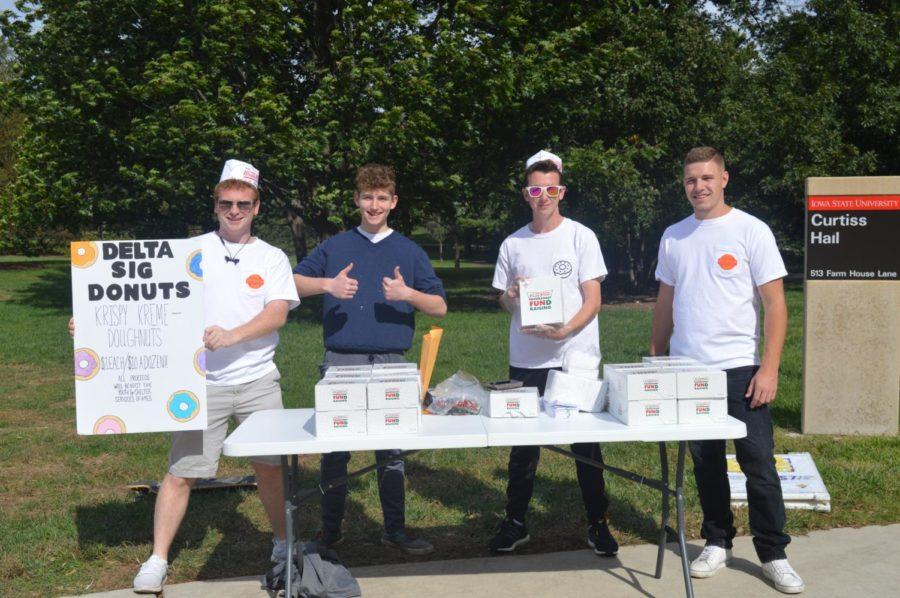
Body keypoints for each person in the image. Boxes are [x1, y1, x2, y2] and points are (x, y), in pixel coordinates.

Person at [71, 159, 300, 593]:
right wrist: (91, 324)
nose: (235, 211)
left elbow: (277, 313)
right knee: (181, 473)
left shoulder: (271, 257)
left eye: (244, 204)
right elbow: (139, 299)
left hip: (258, 381)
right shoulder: (187, 251)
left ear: (256, 207)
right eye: (226, 203)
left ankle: (284, 543)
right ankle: (157, 559)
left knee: (272, 471)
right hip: (199, 384)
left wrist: (233, 335)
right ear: (215, 205)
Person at [649, 146, 804, 594]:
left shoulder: (750, 230)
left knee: (759, 464)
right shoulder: (674, 236)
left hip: (740, 368)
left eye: (707, 178)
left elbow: (775, 304)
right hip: (687, 368)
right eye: (691, 180)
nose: (699, 186)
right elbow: (665, 303)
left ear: (724, 179)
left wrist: (769, 368)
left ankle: (773, 552)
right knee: (706, 463)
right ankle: (717, 540)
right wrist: (655, 359)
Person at [293, 163, 447, 555]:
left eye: (382, 198)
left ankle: (394, 530)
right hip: (342, 360)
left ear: (393, 202)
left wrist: (408, 295)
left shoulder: (409, 250)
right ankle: (330, 532)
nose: (374, 205)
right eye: (367, 197)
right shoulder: (335, 246)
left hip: (393, 360)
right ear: (357, 200)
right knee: (336, 449)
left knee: (392, 450)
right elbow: (292, 281)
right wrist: (327, 284)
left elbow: (440, 307)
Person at [489, 150, 618, 557]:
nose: (543, 196)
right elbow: (504, 300)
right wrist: (510, 297)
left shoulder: (582, 236)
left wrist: (565, 331)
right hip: (527, 358)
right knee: (523, 445)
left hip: (574, 357)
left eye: (550, 189)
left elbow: (593, 299)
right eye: (534, 189)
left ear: (561, 192)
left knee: (586, 447)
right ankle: (515, 522)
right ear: (525, 194)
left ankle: (598, 523)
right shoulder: (513, 243)